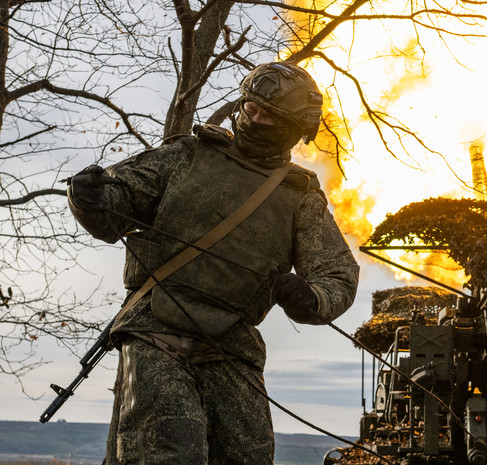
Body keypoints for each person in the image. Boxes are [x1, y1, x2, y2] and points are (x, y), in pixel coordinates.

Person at [67, 62, 360, 464]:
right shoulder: (186, 156)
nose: (254, 118)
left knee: (248, 454)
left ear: (293, 128)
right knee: (171, 450)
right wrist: (89, 196)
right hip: (156, 326)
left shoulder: (299, 195)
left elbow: (337, 276)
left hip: (230, 343)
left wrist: (308, 296)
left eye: (269, 115)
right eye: (250, 108)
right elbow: (117, 203)